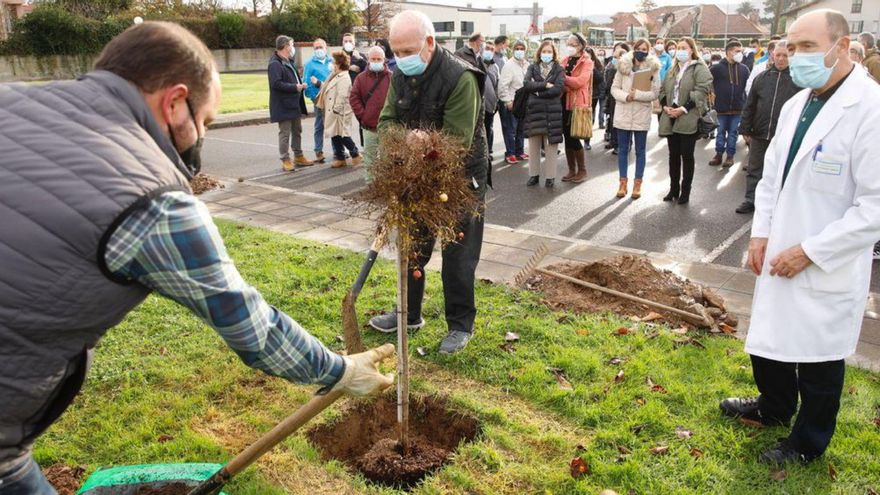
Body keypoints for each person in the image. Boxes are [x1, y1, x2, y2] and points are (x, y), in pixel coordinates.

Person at [0, 22, 397, 494]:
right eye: (204, 123)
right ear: (174, 102)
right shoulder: (153, 199)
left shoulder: (12, 102)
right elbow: (249, 324)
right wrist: (341, 370)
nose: (199, 139)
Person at [720, 9, 880, 466]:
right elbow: (770, 179)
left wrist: (811, 251)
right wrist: (760, 234)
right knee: (768, 339)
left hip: (827, 259)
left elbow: (875, 207)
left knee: (818, 358)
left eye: (808, 47)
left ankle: (808, 443)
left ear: (844, 47)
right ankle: (772, 408)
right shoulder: (798, 102)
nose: (796, 56)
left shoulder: (870, 110)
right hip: (777, 249)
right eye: (792, 46)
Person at [369, 10, 488, 355]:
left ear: (430, 42)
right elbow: (387, 122)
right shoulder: (400, 76)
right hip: (416, 177)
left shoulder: (461, 78)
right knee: (413, 247)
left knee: (458, 254)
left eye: (408, 51)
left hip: (462, 179)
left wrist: (426, 143)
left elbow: (457, 142)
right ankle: (408, 314)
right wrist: (408, 139)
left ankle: (460, 325)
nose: (401, 60)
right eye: (396, 52)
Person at [736, 42, 801, 215]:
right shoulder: (762, 78)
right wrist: (745, 128)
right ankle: (751, 199)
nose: (780, 59)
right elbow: (750, 104)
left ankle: (778, 203)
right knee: (754, 169)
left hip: (784, 135)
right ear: (772, 55)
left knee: (780, 171)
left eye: (785, 55)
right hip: (759, 132)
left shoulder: (798, 80)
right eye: (777, 55)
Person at [658, 36, 712, 205]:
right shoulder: (672, 69)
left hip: (688, 117)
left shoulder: (699, 68)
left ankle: (685, 192)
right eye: (678, 47)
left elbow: (702, 90)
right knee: (673, 156)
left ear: (691, 50)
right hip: (670, 116)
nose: (680, 50)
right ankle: (673, 189)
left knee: (687, 156)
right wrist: (665, 107)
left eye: (684, 47)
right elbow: (662, 90)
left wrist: (683, 109)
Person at [610, 38, 660, 199]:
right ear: (634, 48)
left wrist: (637, 95)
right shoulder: (623, 66)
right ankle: (622, 183)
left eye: (645, 49)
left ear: (649, 50)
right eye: (639, 48)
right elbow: (614, 88)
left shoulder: (653, 68)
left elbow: (655, 93)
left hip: (642, 113)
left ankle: (637, 183)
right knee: (623, 150)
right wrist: (626, 97)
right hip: (623, 112)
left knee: (640, 151)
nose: (642, 51)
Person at [268, 35, 314, 172]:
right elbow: (276, 84)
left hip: (294, 104)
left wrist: (299, 85)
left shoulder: (288, 61)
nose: (293, 47)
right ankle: (285, 159)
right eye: (291, 44)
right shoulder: (275, 64)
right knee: (285, 133)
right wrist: (295, 87)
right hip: (283, 105)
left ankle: (298, 156)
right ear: (285, 46)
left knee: (297, 130)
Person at [523, 40, 565, 188]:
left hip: (552, 112)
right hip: (534, 111)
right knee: (533, 145)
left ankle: (550, 177)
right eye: (544, 51)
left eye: (549, 52)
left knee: (551, 145)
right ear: (539, 53)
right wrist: (545, 85)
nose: (546, 54)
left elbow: (559, 89)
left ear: (554, 54)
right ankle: (533, 175)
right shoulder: (532, 67)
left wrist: (537, 91)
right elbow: (527, 84)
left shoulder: (559, 69)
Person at [709, 40, 750, 168]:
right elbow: (708, 84)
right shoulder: (716, 68)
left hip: (738, 108)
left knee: (733, 133)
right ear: (729, 52)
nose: (740, 54)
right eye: (737, 51)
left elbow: (747, 88)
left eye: (741, 51)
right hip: (721, 108)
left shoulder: (744, 69)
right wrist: (712, 97)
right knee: (720, 132)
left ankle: (730, 156)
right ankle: (718, 154)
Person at [350, 46, 391, 172]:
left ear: (384, 60)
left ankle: (386, 185)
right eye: (373, 59)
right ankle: (371, 184)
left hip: (387, 126)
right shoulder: (361, 78)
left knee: (387, 159)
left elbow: (397, 100)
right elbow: (354, 98)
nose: (376, 61)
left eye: (379, 59)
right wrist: (363, 116)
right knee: (370, 159)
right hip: (369, 127)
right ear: (368, 59)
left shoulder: (392, 77)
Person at [318, 51, 361, 169]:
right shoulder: (335, 75)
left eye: (333, 62)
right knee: (334, 134)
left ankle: (355, 154)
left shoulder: (344, 77)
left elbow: (342, 96)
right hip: (333, 110)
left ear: (339, 63)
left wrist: (335, 110)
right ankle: (340, 157)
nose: (331, 64)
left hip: (340, 111)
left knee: (343, 135)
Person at [559, 33, 593, 184]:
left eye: (572, 44)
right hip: (563, 101)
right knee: (567, 136)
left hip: (577, 103)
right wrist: (563, 82)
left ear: (580, 45)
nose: (569, 47)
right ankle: (571, 169)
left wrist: (563, 78)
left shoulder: (587, 61)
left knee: (574, 137)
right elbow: (557, 80)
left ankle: (582, 170)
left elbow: (580, 82)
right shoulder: (565, 60)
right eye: (568, 44)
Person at [498, 39, 529, 164]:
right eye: (517, 48)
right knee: (510, 130)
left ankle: (519, 151)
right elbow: (502, 86)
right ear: (513, 50)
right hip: (512, 102)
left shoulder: (526, 64)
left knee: (521, 129)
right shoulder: (509, 65)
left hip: (523, 103)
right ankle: (510, 153)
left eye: (522, 49)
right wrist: (507, 101)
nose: (520, 51)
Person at [304, 38, 333, 164]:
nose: (319, 50)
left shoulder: (332, 61)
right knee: (320, 125)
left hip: (333, 98)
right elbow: (307, 82)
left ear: (326, 48)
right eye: (316, 48)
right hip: (319, 99)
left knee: (334, 125)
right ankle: (318, 150)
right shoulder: (309, 64)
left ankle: (338, 150)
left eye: (321, 47)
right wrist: (314, 98)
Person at [604, 42, 630, 154]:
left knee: (621, 123)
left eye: (617, 57)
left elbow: (610, 84)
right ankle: (614, 142)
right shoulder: (611, 66)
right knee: (613, 121)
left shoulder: (625, 69)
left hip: (622, 99)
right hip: (612, 99)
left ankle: (622, 145)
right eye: (614, 56)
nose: (614, 59)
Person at [482, 41, 500, 162]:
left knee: (489, 128)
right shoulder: (476, 63)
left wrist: (496, 101)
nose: (489, 51)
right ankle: (481, 153)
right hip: (478, 105)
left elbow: (497, 85)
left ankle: (489, 151)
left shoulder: (495, 67)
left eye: (491, 49)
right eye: (487, 48)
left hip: (490, 105)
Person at [585, 47, 605, 149]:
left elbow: (600, 78)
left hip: (593, 95)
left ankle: (587, 140)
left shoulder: (596, 64)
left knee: (590, 117)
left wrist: (592, 67)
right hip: (581, 94)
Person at [596, 48, 608, 128]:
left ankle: (601, 123)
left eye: (602, 55)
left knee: (602, 108)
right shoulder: (595, 65)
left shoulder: (607, 64)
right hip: (596, 90)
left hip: (603, 90)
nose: (601, 56)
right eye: (599, 54)